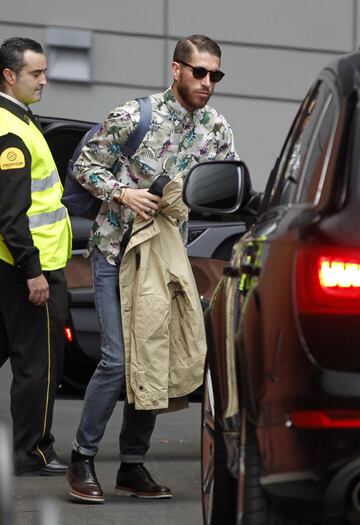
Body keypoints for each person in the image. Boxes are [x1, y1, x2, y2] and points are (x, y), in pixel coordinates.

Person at [66, 34, 239, 503]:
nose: (207, 82)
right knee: (118, 360)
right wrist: (124, 193)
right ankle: (82, 458)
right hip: (115, 252)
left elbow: (217, 190)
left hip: (164, 258)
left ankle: (132, 466)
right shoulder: (134, 115)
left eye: (215, 75)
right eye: (199, 72)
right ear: (176, 69)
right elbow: (85, 165)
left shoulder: (217, 129)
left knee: (154, 359)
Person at [0, 37, 72, 475]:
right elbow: (12, 214)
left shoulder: (15, 121)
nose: (44, 80)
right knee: (38, 363)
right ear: (9, 75)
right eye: (36, 73)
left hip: (11, 263)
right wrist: (34, 272)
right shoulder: (11, 131)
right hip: (30, 265)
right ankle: (32, 453)